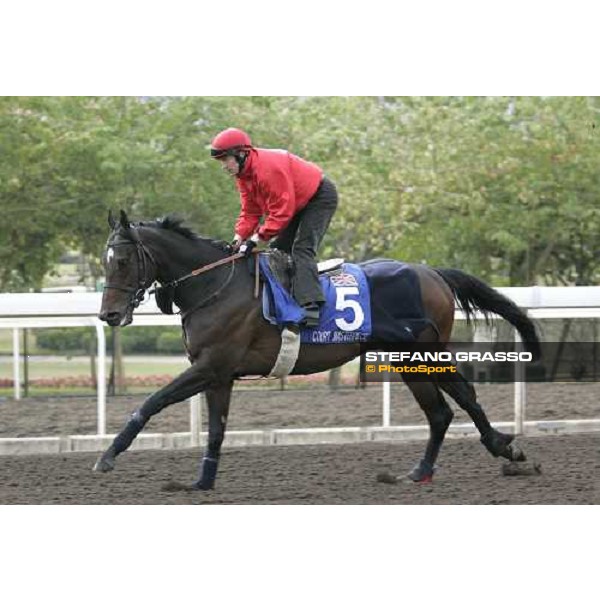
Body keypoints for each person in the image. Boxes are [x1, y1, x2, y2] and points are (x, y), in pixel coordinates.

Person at [210, 127, 338, 327]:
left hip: (319, 198)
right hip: (298, 203)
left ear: (241, 154)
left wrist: (256, 239)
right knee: (278, 252)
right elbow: (250, 211)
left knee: (301, 250)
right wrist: (239, 237)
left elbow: (281, 213)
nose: (223, 166)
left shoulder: (267, 170)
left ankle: (312, 308)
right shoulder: (244, 176)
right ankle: (287, 302)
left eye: (226, 159)